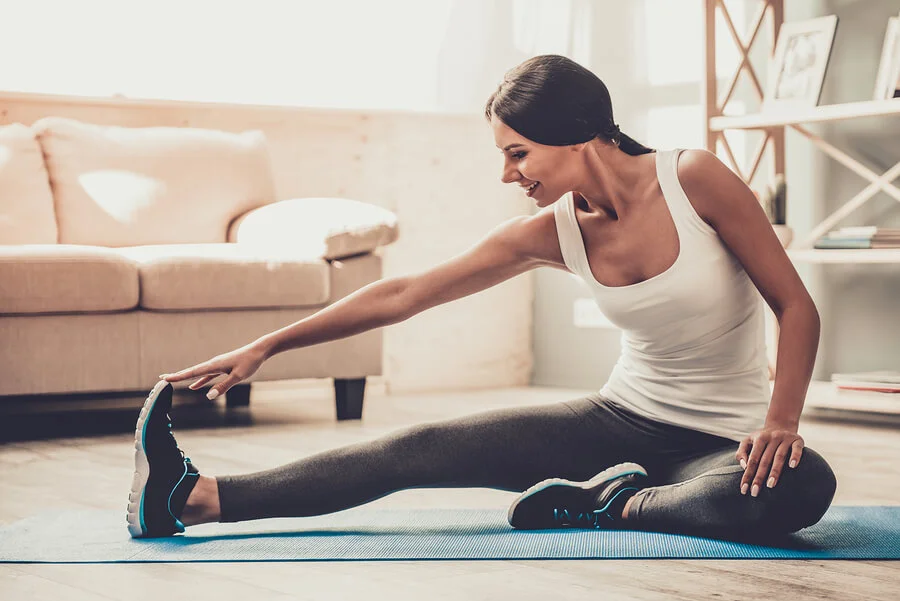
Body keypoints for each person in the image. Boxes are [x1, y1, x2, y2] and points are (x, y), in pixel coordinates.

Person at [126, 54, 837, 541]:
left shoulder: (696, 180)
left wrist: (780, 421)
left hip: (723, 446)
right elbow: (406, 292)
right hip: (617, 423)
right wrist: (268, 344)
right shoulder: (551, 232)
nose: (507, 173)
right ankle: (196, 496)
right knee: (420, 446)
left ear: (576, 136)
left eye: (517, 152)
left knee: (801, 486)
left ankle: (612, 503)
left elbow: (795, 304)